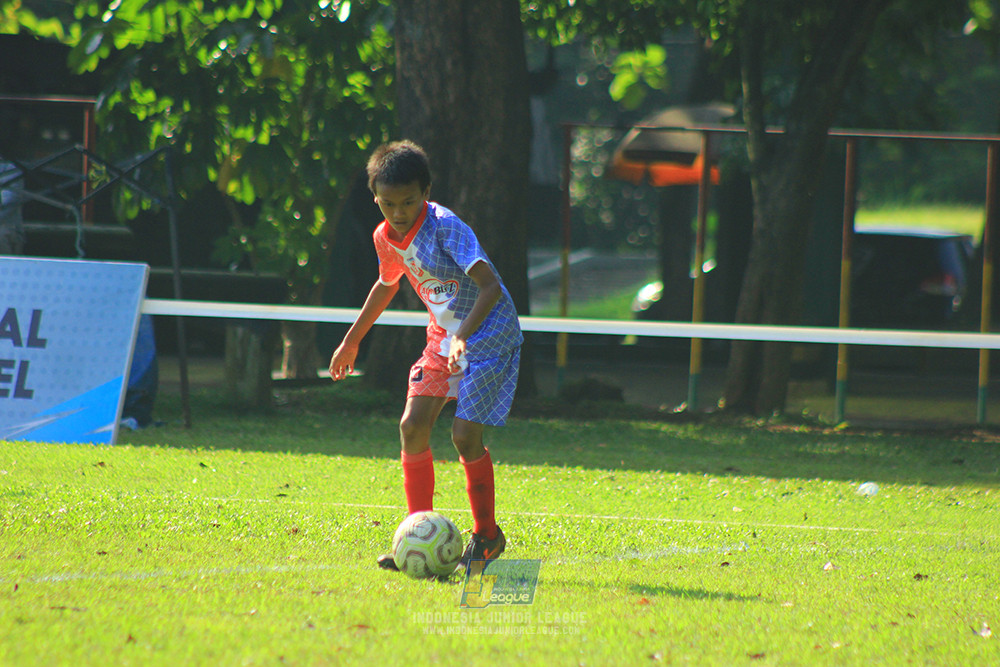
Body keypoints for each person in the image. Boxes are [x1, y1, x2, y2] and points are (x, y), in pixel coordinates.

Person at [328, 140, 523, 573]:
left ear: (427, 191)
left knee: (464, 437)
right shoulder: (386, 236)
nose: (399, 213)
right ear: (375, 198)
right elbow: (387, 284)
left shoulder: (447, 228)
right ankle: (415, 535)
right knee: (412, 426)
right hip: (443, 337)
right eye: (388, 204)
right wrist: (352, 340)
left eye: (409, 202)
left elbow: (491, 287)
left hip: (488, 335)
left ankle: (488, 536)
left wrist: (463, 337)